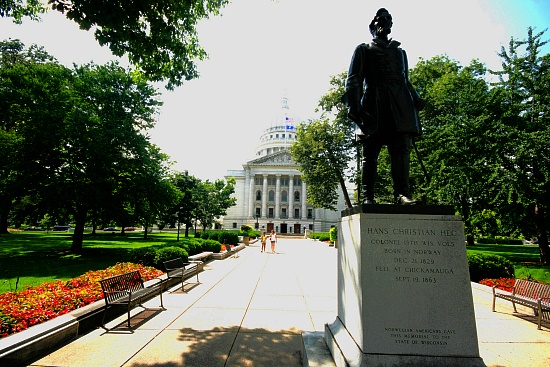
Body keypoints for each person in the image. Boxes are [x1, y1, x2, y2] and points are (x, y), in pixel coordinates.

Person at [343, 8, 425, 205]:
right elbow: (354, 79)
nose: (384, 23)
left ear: (391, 25)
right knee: (370, 152)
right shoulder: (363, 49)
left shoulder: (400, 52)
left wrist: (416, 97)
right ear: (373, 26)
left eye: (387, 20)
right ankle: (367, 196)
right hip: (374, 104)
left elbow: (406, 80)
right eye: (380, 20)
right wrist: (354, 108)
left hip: (400, 104)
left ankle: (401, 194)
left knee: (401, 150)